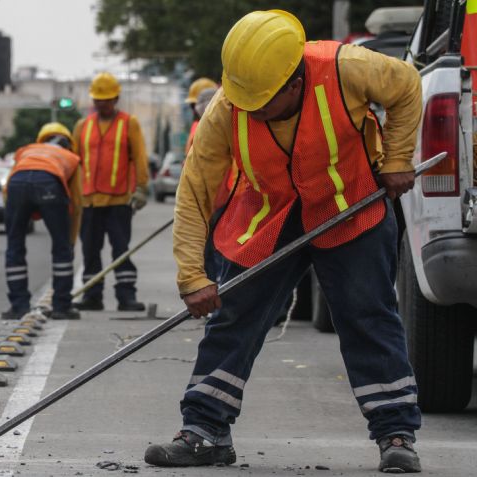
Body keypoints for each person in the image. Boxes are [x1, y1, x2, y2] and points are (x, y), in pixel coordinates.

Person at [145, 10, 423, 474]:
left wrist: (397, 158)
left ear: (294, 83)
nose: (248, 110)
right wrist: (192, 275)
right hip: (268, 219)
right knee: (233, 318)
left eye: (260, 101)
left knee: (367, 317)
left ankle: (396, 434)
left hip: (349, 208)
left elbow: (408, 86)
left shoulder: (346, 67)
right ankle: (205, 431)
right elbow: (194, 191)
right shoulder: (227, 107)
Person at [72, 72, 150, 312]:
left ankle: (126, 297)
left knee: (120, 249)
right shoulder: (82, 126)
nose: (101, 104)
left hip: (119, 201)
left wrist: (141, 188)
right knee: (90, 251)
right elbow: (75, 161)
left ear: (115, 99)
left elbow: (139, 158)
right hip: (90, 201)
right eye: (98, 100)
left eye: (106, 100)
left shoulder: (129, 124)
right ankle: (92, 296)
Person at [1, 123, 82, 321]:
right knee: (61, 249)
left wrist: (15, 217)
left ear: (41, 139)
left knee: (14, 246)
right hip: (49, 183)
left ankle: (19, 306)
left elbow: (7, 189)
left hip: (17, 186)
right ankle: (61, 306)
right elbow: (77, 203)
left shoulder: (26, 151)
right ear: (69, 143)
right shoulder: (71, 158)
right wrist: (70, 241)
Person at [184, 77, 219, 154]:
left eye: (194, 105)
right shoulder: (197, 126)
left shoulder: (207, 129)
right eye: (192, 106)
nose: (194, 110)